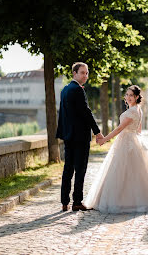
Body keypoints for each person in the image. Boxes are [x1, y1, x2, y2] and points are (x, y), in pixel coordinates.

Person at [84, 85, 148, 213]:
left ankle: (125, 201)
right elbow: (139, 130)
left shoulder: (133, 111)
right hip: (131, 140)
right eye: (127, 95)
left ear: (136, 97)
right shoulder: (137, 110)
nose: (128, 97)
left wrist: (104, 139)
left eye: (131, 95)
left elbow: (119, 129)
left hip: (127, 141)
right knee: (132, 172)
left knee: (125, 172)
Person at [56, 62, 104, 212]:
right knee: (80, 169)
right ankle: (77, 201)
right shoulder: (77, 90)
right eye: (83, 72)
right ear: (74, 73)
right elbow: (86, 112)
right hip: (80, 137)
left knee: (68, 168)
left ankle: (64, 202)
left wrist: (63, 133)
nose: (86, 75)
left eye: (87, 73)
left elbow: (63, 114)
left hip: (69, 136)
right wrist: (97, 131)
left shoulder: (65, 90)